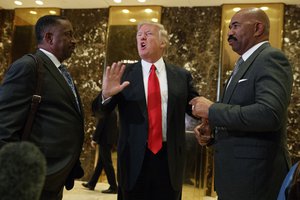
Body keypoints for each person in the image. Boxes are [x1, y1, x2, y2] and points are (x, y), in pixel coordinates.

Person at [190, 8, 293, 200]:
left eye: (235, 26)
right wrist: (212, 131)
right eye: (229, 27)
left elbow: (270, 114)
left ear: (257, 28)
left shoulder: (270, 58)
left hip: (256, 180)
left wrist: (213, 109)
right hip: (235, 179)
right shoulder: (242, 64)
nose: (229, 32)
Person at [92, 21, 199, 200]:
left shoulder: (181, 76)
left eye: (148, 34)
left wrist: (209, 117)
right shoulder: (124, 74)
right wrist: (105, 95)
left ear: (163, 43)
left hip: (169, 159)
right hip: (133, 159)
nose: (141, 37)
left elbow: (194, 107)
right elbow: (99, 112)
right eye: (139, 34)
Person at [0, 15, 84, 200]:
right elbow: (4, 126)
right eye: (68, 35)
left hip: (54, 176)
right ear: (49, 37)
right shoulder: (28, 66)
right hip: (33, 178)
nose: (74, 40)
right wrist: (17, 177)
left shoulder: (60, 71)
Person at [82, 109, 118, 194]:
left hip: (104, 140)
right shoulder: (112, 110)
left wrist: (94, 139)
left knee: (107, 163)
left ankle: (113, 187)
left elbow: (100, 124)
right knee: (100, 163)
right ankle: (92, 183)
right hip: (109, 139)